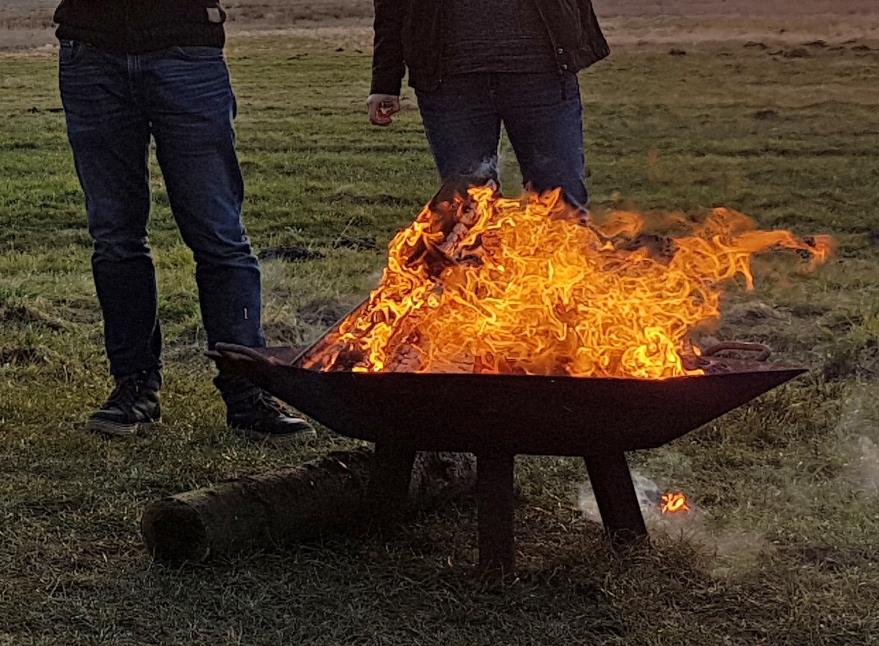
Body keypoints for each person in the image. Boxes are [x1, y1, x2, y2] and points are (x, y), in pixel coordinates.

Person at [53, 1, 315, 443]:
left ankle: (247, 390)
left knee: (218, 233)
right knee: (116, 235)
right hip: (91, 50)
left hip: (186, 50)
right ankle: (134, 388)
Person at [367, 0, 610, 208]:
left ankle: (565, 263)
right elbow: (390, 7)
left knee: (561, 200)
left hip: (544, 71)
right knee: (469, 204)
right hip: (450, 80)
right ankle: (478, 263)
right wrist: (384, 83)